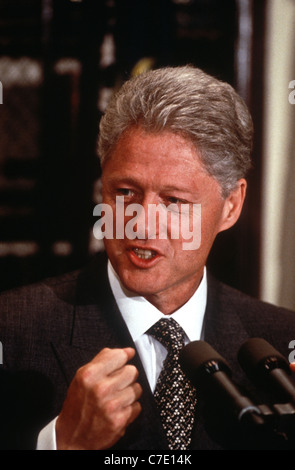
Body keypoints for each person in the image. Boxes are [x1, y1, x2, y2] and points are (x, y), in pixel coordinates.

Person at [0, 65, 295, 450]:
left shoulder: (281, 341)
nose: (141, 223)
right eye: (124, 192)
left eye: (174, 201)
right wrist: (62, 444)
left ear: (231, 206)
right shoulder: (12, 331)